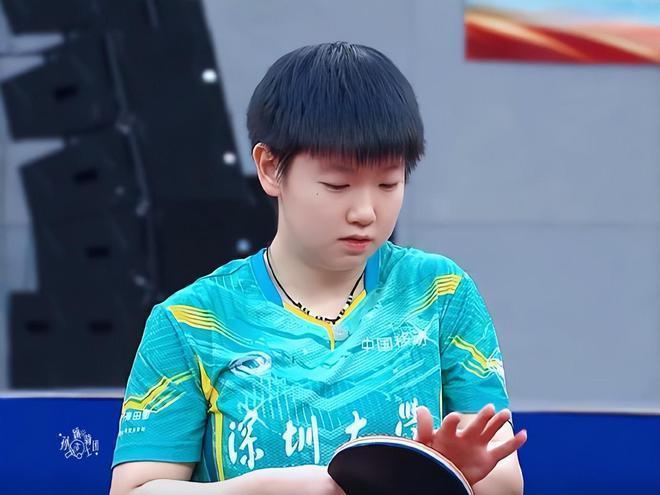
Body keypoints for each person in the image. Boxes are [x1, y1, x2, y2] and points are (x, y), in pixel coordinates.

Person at [109, 41, 527, 495]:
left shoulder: (441, 294)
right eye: (337, 185)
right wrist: (264, 491)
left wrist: (455, 470)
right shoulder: (190, 322)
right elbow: (134, 490)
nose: (366, 212)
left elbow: (506, 479)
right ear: (271, 168)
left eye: (388, 183)